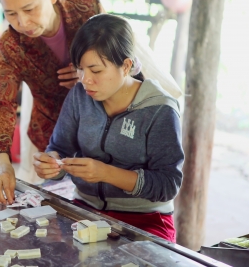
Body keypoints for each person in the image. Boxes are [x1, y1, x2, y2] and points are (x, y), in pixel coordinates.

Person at [33, 14, 184, 242]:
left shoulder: (159, 110)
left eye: (96, 71)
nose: (85, 80)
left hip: (145, 219)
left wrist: (105, 173)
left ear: (126, 66)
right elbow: (59, 147)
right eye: (80, 69)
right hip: (84, 211)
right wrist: (51, 163)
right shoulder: (79, 97)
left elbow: (168, 184)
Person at [19, 0, 93, 185]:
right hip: (41, 107)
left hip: (82, 104)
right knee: (39, 171)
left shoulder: (86, 10)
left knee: (79, 175)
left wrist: (84, 72)